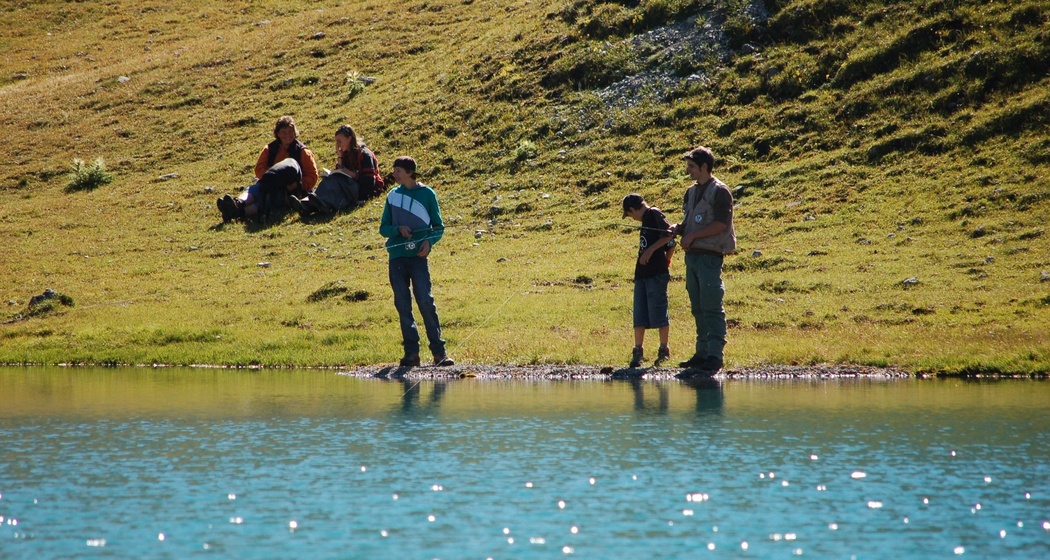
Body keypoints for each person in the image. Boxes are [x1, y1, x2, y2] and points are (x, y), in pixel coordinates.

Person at [379, 156, 453, 368]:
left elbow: (438, 227)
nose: (394, 174)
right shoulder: (392, 196)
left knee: (426, 302)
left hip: (418, 260)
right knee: (403, 305)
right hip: (396, 258)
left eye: (398, 170)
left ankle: (439, 353)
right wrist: (398, 230)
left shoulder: (427, 194)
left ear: (410, 172)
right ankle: (411, 354)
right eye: (395, 170)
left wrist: (429, 242)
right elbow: (383, 228)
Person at [672, 146, 737, 374]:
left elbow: (721, 224)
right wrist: (679, 229)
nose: (688, 171)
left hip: (710, 257)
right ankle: (701, 354)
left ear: (704, 167)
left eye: (691, 167)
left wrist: (693, 235)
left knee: (711, 306)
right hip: (692, 258)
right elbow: (690, 221)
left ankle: (715, 355)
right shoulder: (690, 192)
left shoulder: (720, 192)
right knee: (698, 308)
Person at [217, 116, 319, 222]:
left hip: (289, 192)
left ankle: (237, 212)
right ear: (278, 134)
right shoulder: (270, 149)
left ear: (295, 132)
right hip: (268, 183)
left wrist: (296, 185)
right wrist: (270, 177)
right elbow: (259, 169)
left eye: (290, 131)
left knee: (267, 199)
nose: (287, 135)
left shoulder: (303, 152)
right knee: (255, 189)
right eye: (284, 132)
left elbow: (313, 176)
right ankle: (238, 203)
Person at [622, 193, 676, 368]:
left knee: (659, 310)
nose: (631, 218)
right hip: (642, 275)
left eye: (629, 214)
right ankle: (638, 352)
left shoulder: (653, 214)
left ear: (632, 209)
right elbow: (669, 244)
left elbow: (669, 237)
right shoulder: (645, 222)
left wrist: (651, 252)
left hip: (656, 274)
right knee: (639, 314)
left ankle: (663, 350)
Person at [290, 124, 385, 218]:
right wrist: (340, 157)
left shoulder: (364, 154)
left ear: (349, 139)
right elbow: (340, 171)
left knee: (334, 181)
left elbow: (369, 182)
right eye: (336, 142)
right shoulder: (346, 154)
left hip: (365, 191)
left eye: (339, 141)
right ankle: (308, 206)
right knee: (332, 181)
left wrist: (350, 174)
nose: (338, 145)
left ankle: (310, 203)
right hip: (350, 187)